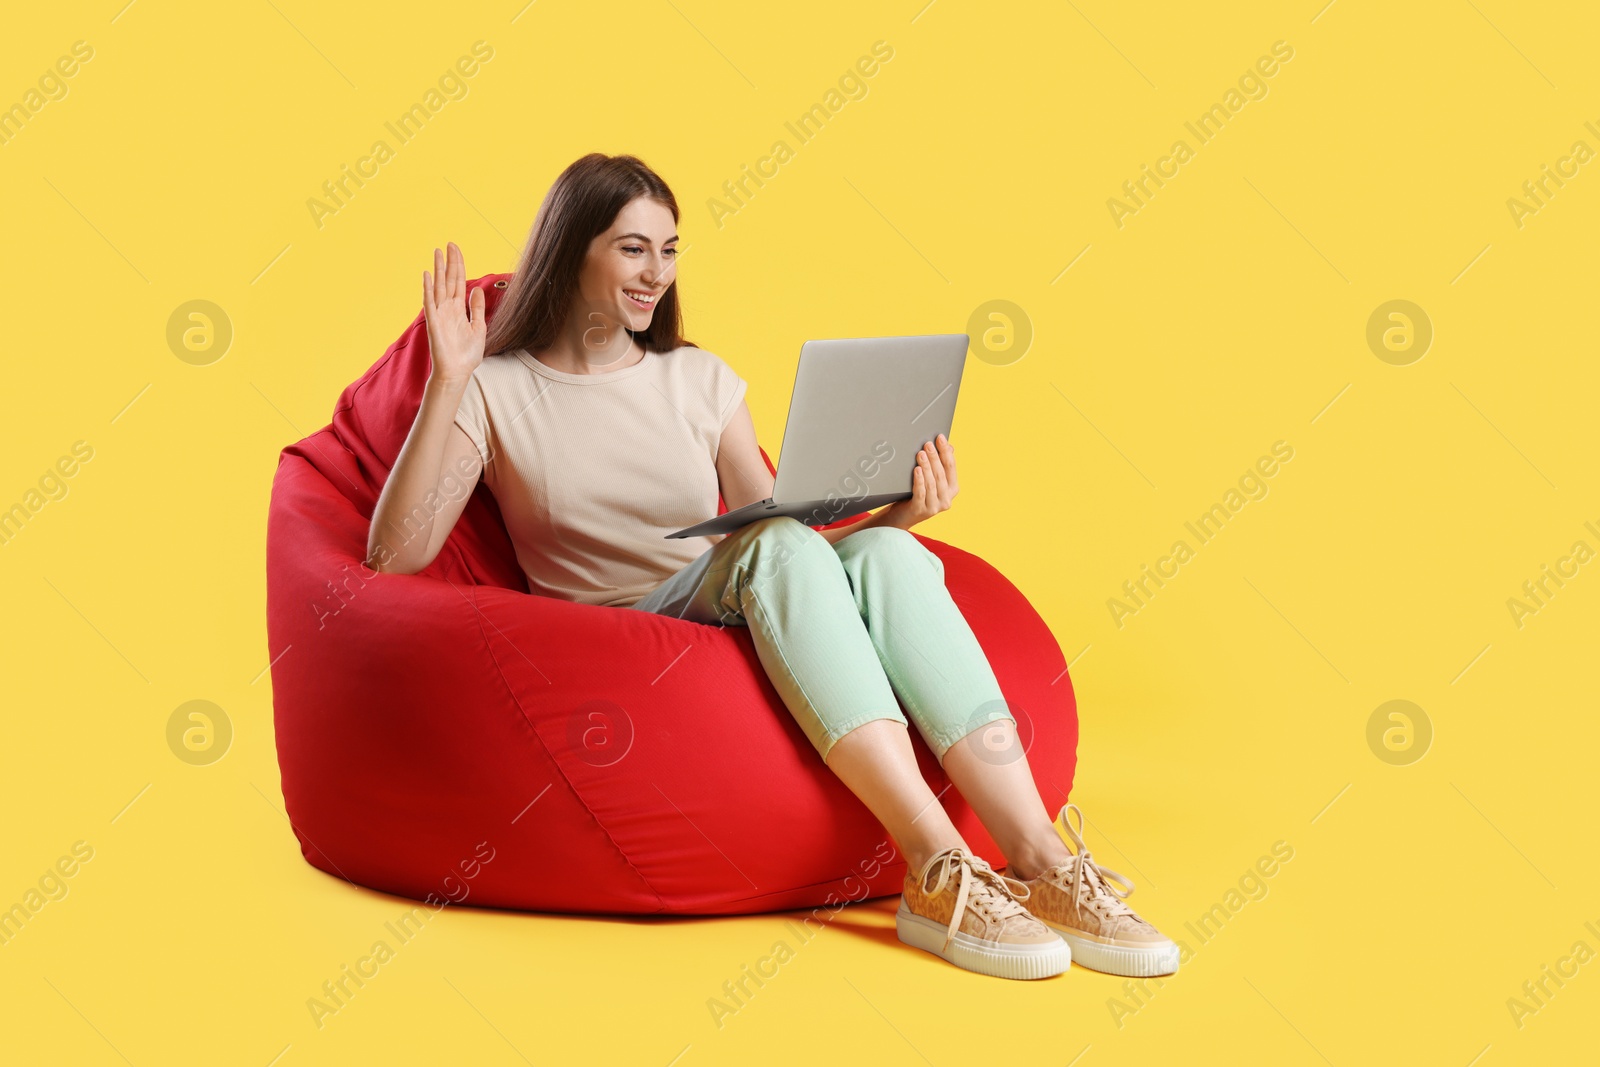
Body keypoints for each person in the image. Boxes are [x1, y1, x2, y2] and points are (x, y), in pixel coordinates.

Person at [365, 152, 1178, 981]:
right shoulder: (499, 390)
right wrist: (448, 381)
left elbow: (789, 545)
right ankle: (934, 864)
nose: (657, 273)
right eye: (633, 248)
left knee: (888, 552)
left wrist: (902, 516)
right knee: (778, 547)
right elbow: (394, 556)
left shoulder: (700, 378)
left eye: (671, 249)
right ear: (574, 249)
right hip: (618, 631)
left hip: (731, 600)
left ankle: (1038, 858)